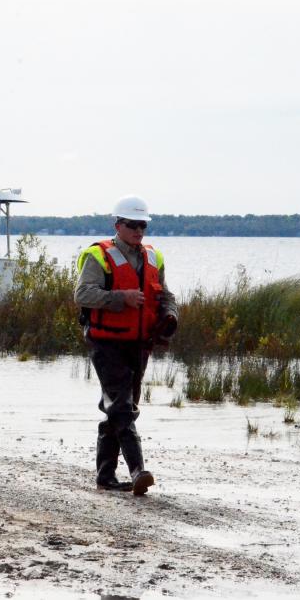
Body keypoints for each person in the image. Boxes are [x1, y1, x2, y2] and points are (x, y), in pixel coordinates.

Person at [74, 195, 178, 496]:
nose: (138, 230)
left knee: (117, 410)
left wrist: (170, 314)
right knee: (122, 407)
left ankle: (105, 476)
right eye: (132, 225)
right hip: (105, 343)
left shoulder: (153, 258)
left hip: (139, 344)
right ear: (117, 225)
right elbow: (82, 294)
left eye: (143, 225)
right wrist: (122, 299)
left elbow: (165, 295)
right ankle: (138, 471)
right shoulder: (98, 256)